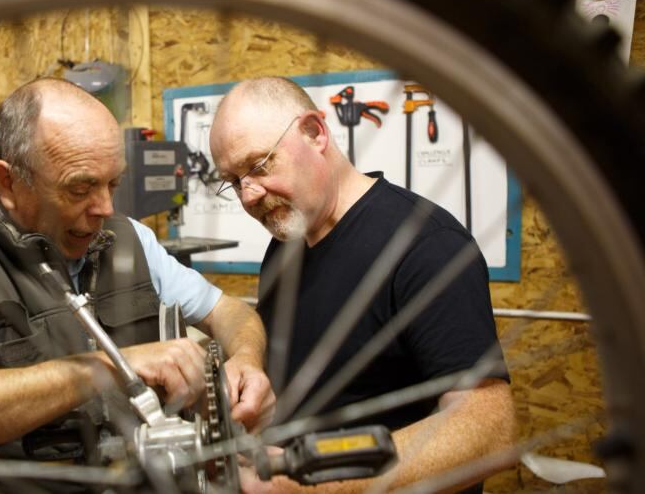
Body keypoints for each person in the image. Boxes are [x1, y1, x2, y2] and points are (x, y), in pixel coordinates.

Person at [0, 78, 274, 462]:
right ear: (7, 182)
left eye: (113, 185)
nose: (105, 209)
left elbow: (232, 313)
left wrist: (246, 361)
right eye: (80, 189)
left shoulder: (129, 238)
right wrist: (105, 368)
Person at [209, 77, 516, 493]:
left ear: (315, 133)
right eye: (233, 180)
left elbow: (488, 432)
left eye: (260, 166)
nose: (248, 196)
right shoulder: (287, 246)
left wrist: (318, 486)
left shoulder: (426, 245)